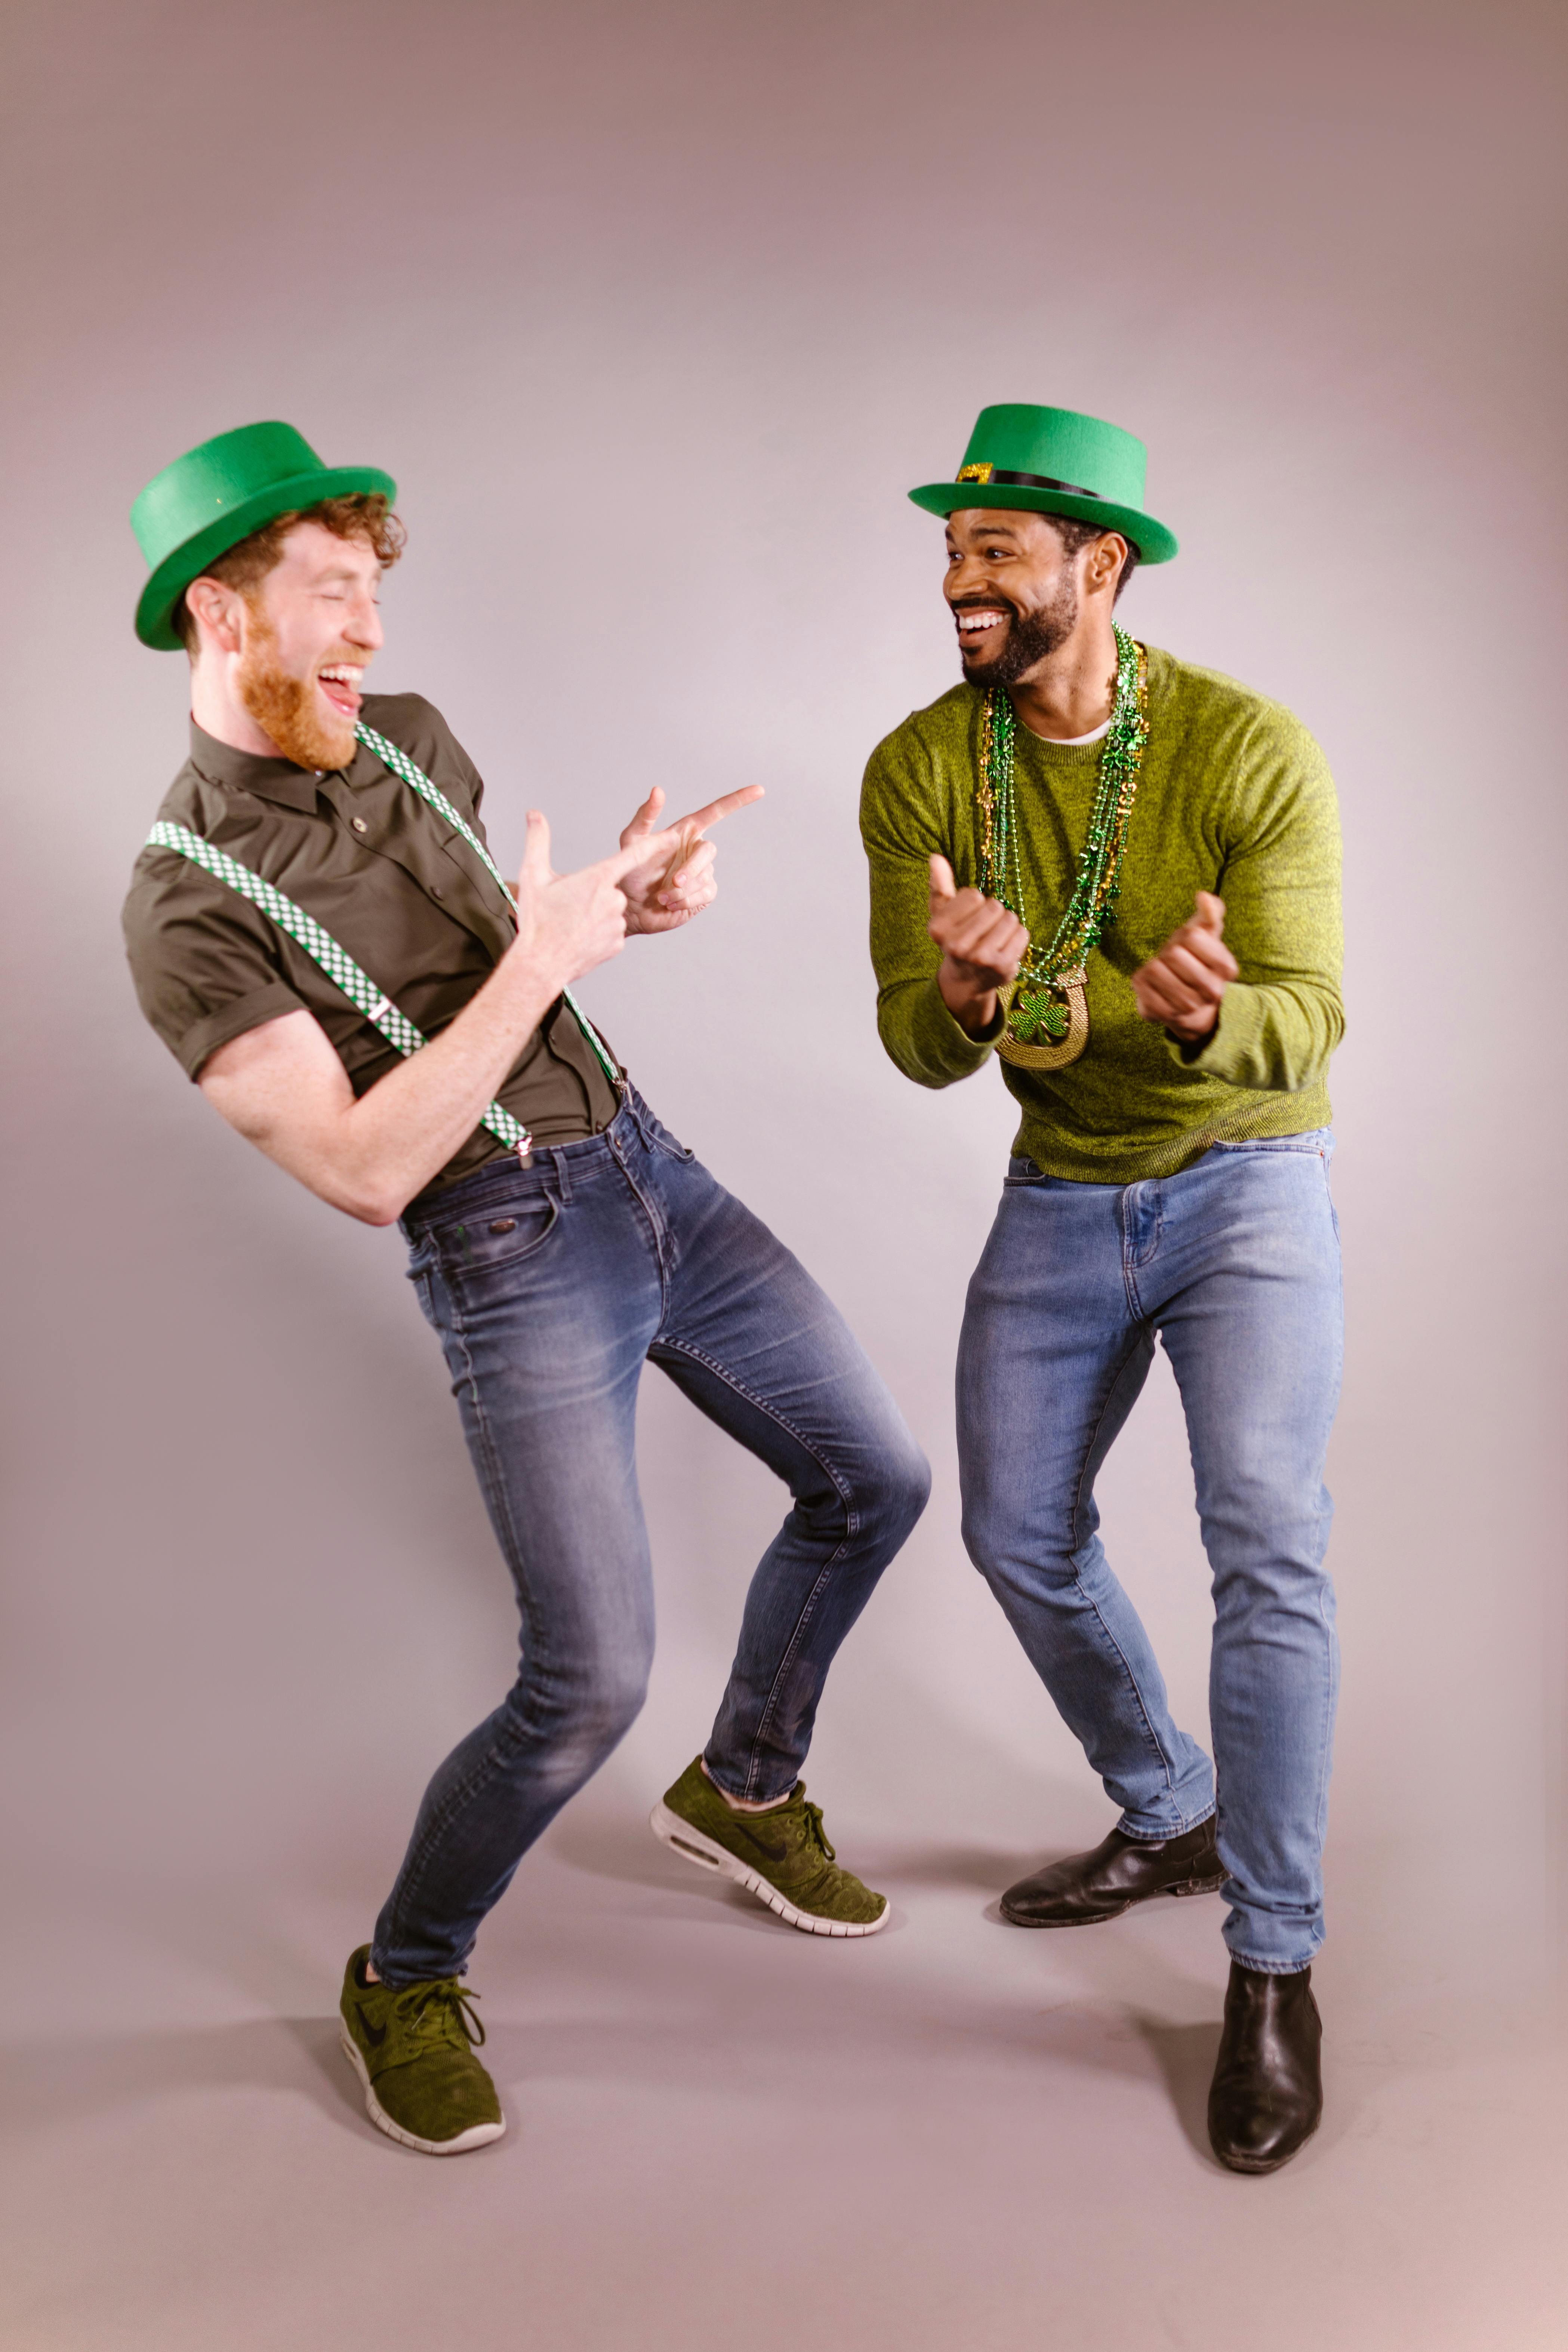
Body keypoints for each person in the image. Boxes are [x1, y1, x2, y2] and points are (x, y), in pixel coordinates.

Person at [124, 421, 930, 2156]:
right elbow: (357, 1166)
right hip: (502, 1247)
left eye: (371, 593)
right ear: (218, 608)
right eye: (332, 595)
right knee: (584, 1678)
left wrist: (619, 919)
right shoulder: (183, 902)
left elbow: (505, 969)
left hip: (654, 1172)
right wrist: (547, 955)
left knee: (878, 1476)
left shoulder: (406, 742)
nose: (371, 633)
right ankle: (403, 1972)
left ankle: (743, 1790)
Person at [860, 404, 1343, 2174]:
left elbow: (1312, 1013)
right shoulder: (918, 769)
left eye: (993, 549)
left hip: (1244, 1183)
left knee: (1264, 1546)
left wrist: (1218, 1018)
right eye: (949, 547)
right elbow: (912, 1043)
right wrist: (972, 998)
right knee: (1014, 1534)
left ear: (1097, 565)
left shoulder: (1241, 746)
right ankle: (1170, 1805)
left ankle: (1272, 1967)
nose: (957, 577)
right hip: (1062, 1188)